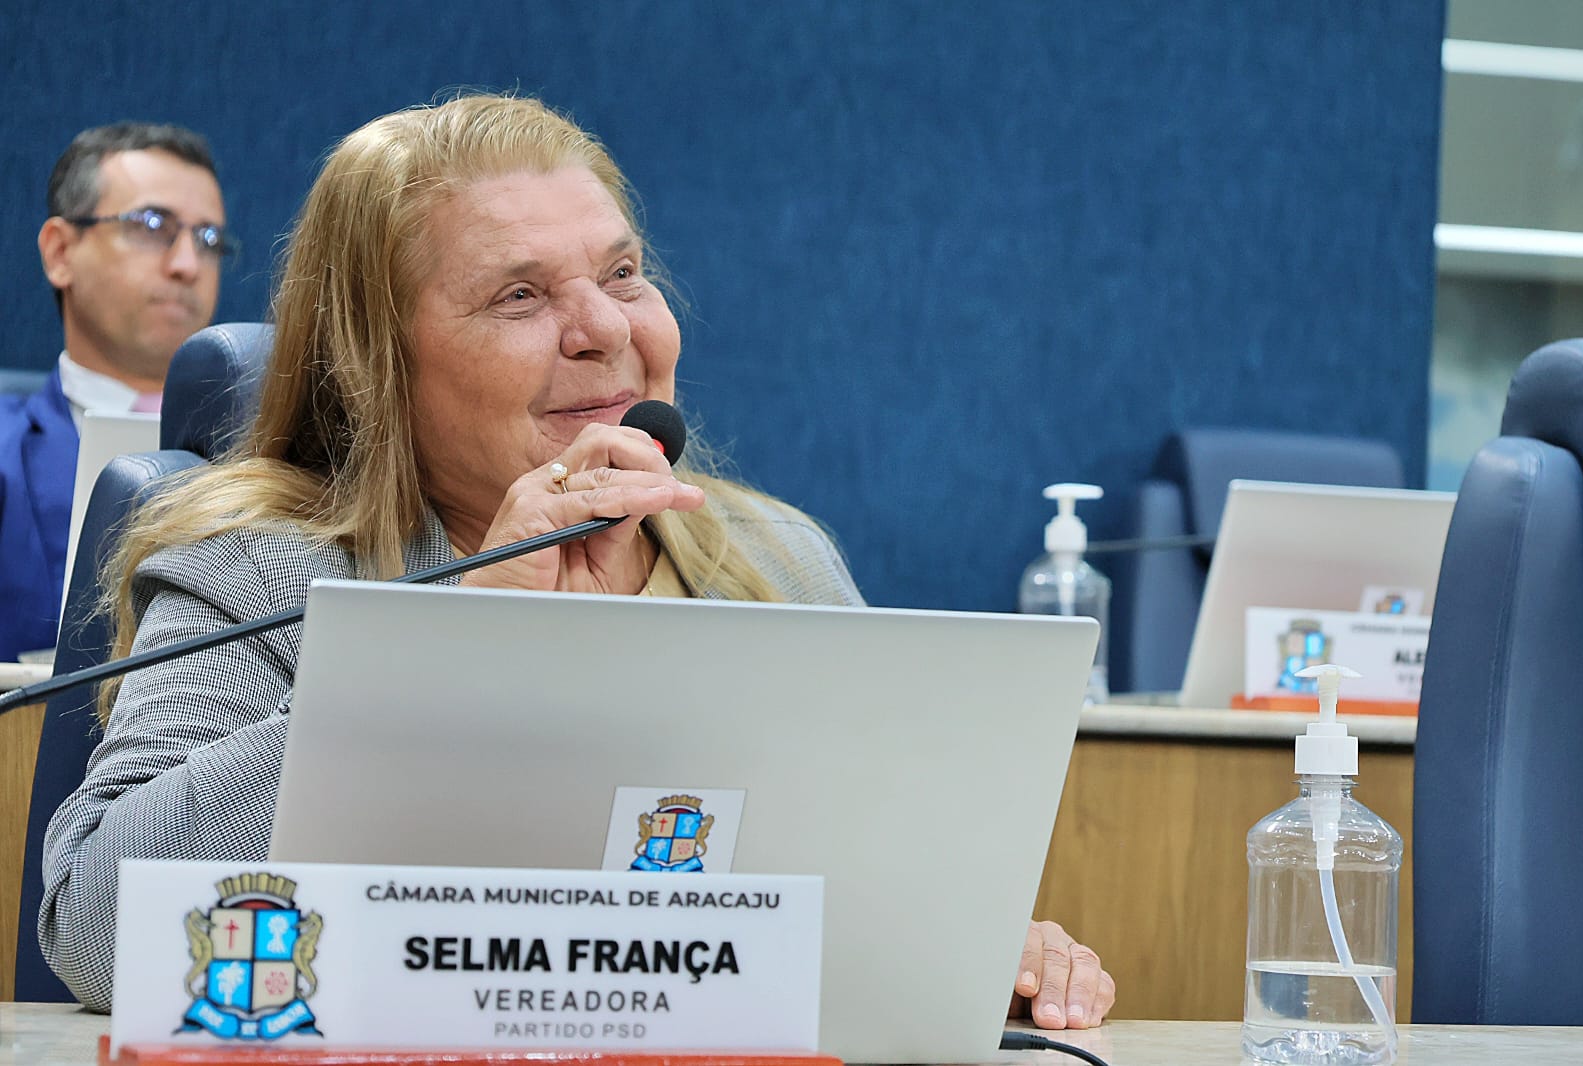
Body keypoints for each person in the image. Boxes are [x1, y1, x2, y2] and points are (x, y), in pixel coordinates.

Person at [39, 95, 1115, 1028]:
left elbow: (878, 908)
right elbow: (95, 929)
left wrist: (977, 951)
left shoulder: (776, 563)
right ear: (375, 364)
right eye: (520, 295)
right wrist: (445, 648)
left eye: (623, 274)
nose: (606, 327)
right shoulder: (257, 573)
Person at [0, 122, 231, 661]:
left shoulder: (275, 458)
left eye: (208, 239)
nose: (187, 265)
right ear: (60, 252)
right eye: (152, 225)